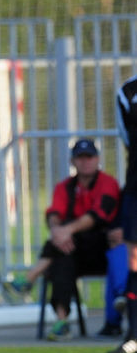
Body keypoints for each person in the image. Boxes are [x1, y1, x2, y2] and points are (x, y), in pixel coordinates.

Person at [35, 139, 120, 340]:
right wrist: (57, 231)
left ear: (97, 159)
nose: (85, 162)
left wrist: (65, 231)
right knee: (63, 254)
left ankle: (31, 275)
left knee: (67, 241)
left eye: (89, 157)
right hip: (74, 251)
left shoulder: (108, 183)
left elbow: (98, 216)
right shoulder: (65, 186)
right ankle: (62, 321)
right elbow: (54, 213)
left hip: (103, 250)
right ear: (72, 161)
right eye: (80, 158)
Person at [111, 74, 137, 353]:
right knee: (134, 259)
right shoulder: (128, 92)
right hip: (135, 186)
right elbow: (127, 138)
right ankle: (134, 335)